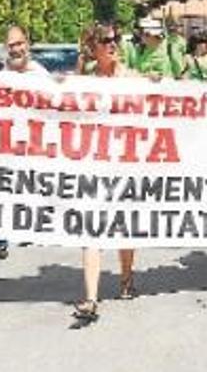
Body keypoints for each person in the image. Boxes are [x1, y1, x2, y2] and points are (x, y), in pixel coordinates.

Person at [70, 25, 138, 329]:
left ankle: (126, 277)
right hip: (94, 164)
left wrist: (157, 84)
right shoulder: (86, 81)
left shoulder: (130, 78)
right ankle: (91, 298)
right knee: (91, 229)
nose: (113, 45)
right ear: (94, 48)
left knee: (124, 228)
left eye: (116, 40)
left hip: (125, 163)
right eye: (106, 41)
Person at [0, 26, 49, 262]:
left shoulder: (40, 75)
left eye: (19, 44)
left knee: (18, 193)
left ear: (28, 44)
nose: (16, 49)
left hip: (30, 146)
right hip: (1, 145)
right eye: (11, 45)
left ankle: (20, 229)